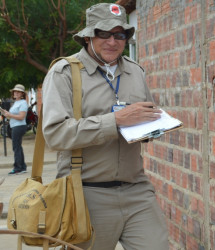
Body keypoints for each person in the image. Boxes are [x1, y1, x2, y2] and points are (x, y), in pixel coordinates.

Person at [42, 3, 168, 250]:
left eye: (120, 34)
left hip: (137, 190)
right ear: (89, 36)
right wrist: (116, 121)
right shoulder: (64, 73)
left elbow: (144, 119)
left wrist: (152, 128)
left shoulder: (135, 71)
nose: (113, 41)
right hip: (87, 193)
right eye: (104, 34)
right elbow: (55, 134)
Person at [3, 84, 28, 175]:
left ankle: (18, 168)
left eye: (18, 92)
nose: (16, 93)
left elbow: (21, 117)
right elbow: (14, 116)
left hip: (19, 126)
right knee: (18, 146)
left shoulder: (23, 103)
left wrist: (10, 115)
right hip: (14, 126)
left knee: (16, 147)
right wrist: (7, 114)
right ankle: (22, 167)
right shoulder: (16, 103)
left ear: (22, 94)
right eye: (15, 91)